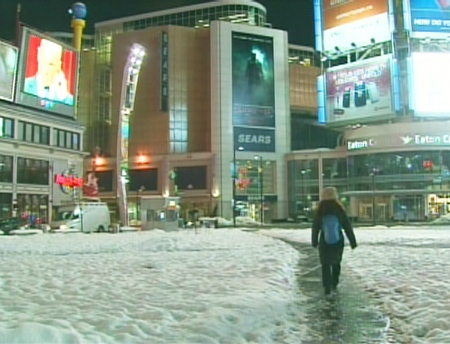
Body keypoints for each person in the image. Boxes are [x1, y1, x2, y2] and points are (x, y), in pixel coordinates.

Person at [312, 187, 357, 295]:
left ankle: (326, 286)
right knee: (336, 262)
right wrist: (352, 241)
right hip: (338, 240)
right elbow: (347, 226)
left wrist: (314, 241)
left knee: (325, 264)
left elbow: (315, 227)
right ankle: (334, 283)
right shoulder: (339, 210)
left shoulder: (320, 210)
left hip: (324, 240)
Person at [24, 38, 74, 105]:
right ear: (38, 55)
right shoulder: (24, 86)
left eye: (51, 64)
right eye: (43, 61)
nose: (45, 69)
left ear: (59, 65)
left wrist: (64, 98)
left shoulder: (67, 99)